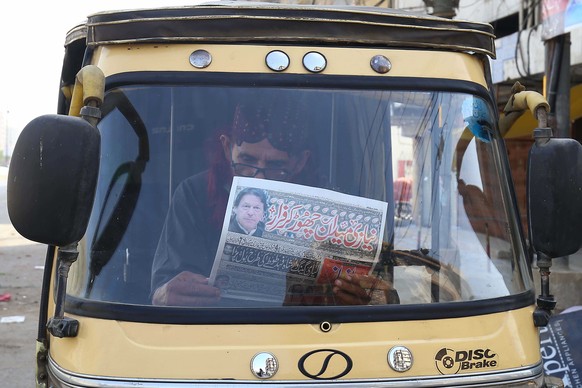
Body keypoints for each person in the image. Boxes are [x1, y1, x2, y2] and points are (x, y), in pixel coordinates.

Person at [151, 96, 392, 307]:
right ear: (227, 148)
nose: (259, 178)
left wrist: (372, 296)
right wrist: (165, 294)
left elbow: (379, 290)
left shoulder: (331, 208)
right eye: (246, 161)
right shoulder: (195, 192)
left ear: (300, 162)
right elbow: (164, 286)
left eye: (277, 166)